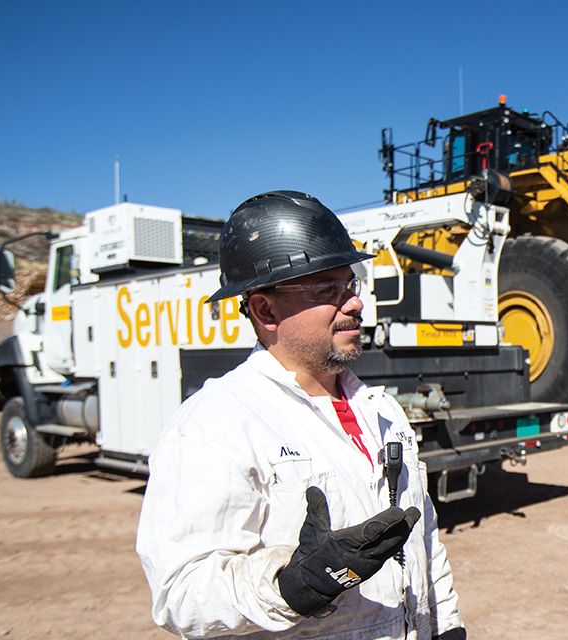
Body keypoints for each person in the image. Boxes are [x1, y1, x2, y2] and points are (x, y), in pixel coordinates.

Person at [136, 191, 466, 640]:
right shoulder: (215, 425)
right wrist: (292, 586)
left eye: (350, 285)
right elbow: (180, 592)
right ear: (265, 309)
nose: (354, 304)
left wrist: (446, 627)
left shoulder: (383, 412)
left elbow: (424, 540)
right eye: (327, 290)